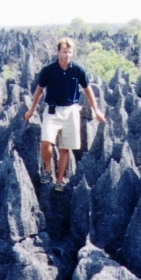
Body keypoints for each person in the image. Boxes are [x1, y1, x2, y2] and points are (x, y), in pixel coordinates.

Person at [23, 37, 106, 191]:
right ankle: (47, 169)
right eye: (64, 52)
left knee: (65, 148)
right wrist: (31, 110)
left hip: (71, 111)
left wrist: (96, 110)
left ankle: (59, 180)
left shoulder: (78, 70)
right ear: (58, 52)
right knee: (46, 142)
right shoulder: (48, 70)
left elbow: (88, 90)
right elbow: (39, 91)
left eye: (70, 52)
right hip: (53, 110)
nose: (67, 55)